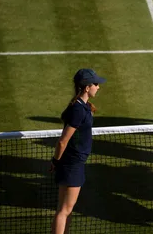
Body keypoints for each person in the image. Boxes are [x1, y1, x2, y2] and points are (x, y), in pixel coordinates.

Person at [50, 69, 106, 234]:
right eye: (95, 84)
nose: (98, 87)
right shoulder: (78, 110)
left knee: (65, 209)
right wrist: (55, 161)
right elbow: (63, 141)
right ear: (87, 87)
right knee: (64, 210)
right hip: (72, 164)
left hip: (72, 163)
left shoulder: (81, 106)